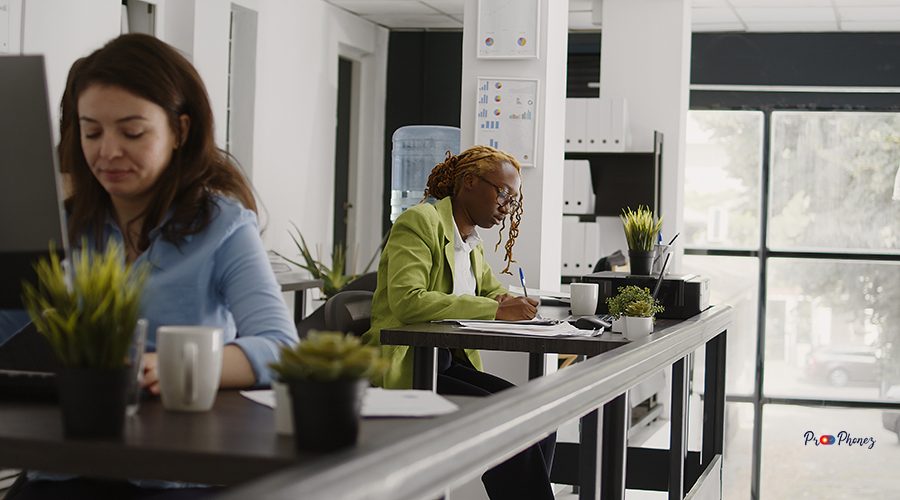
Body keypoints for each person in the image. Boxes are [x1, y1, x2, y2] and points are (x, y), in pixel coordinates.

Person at [5, 33, 297, 499]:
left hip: (169, 472)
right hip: (64, 465)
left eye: (132, 132)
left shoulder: (222, 227)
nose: (108, 152)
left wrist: (182, 365)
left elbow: (280, 348)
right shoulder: (64, 228)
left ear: (180, 131)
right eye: (91, 132)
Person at [362, 145, 555, 500]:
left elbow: (492, 293)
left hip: (446, 364)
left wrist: (519, 303)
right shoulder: (420, 222)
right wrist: (496, 310)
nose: (506, 207)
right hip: (412, 367)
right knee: (512, 430)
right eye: (503, 193)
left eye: (513, 199)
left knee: (538, 420)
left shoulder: (470, 242)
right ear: (469, 182)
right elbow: (408, 301)